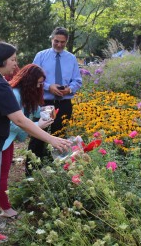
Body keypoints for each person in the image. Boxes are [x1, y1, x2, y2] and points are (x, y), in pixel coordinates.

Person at [0, 41, 71, 246]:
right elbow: (19, 121)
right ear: (1, 60)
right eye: (13, 59)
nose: (16, 65)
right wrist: (51, 139)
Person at [0, 64, 53, 219]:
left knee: (2, 173)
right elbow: (14, 122)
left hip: (8, 140)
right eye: (38, 83)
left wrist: (45, 111)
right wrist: (37, 125)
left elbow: (32, 112)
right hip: (2, 140)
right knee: (1, 175)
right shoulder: (14, 94)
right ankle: (5, 208)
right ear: (29, 81)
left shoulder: (26, 93)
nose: (40, 86)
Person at [28, 26, 82, 174]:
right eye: (56, 41)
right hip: (45, 103)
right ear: (52, 39)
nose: (59, 45)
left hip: (64, 104)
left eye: (62, 42)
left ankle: (57, 171)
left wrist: (69, 89)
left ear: (66, 42)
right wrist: (48, 87)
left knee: (60, 138)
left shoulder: (71, 58)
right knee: (38, 136)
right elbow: (31, 78)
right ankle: (31, 171)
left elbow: (77, 81)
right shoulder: (41, 56)